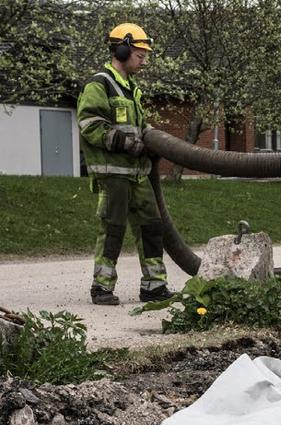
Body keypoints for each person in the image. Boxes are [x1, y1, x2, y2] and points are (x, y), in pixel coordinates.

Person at [77, 23, 173, 306]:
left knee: (153, 227)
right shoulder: (100, 84)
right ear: (122, 49)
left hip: (138, 174)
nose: (143, 60)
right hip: (113, 173)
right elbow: (89, 124)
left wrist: (155, 142)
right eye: (140, 54)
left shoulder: (131, 89)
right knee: (113, 229)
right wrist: (125, 142)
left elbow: (140, 126)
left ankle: (154, 286)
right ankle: (102, 287)